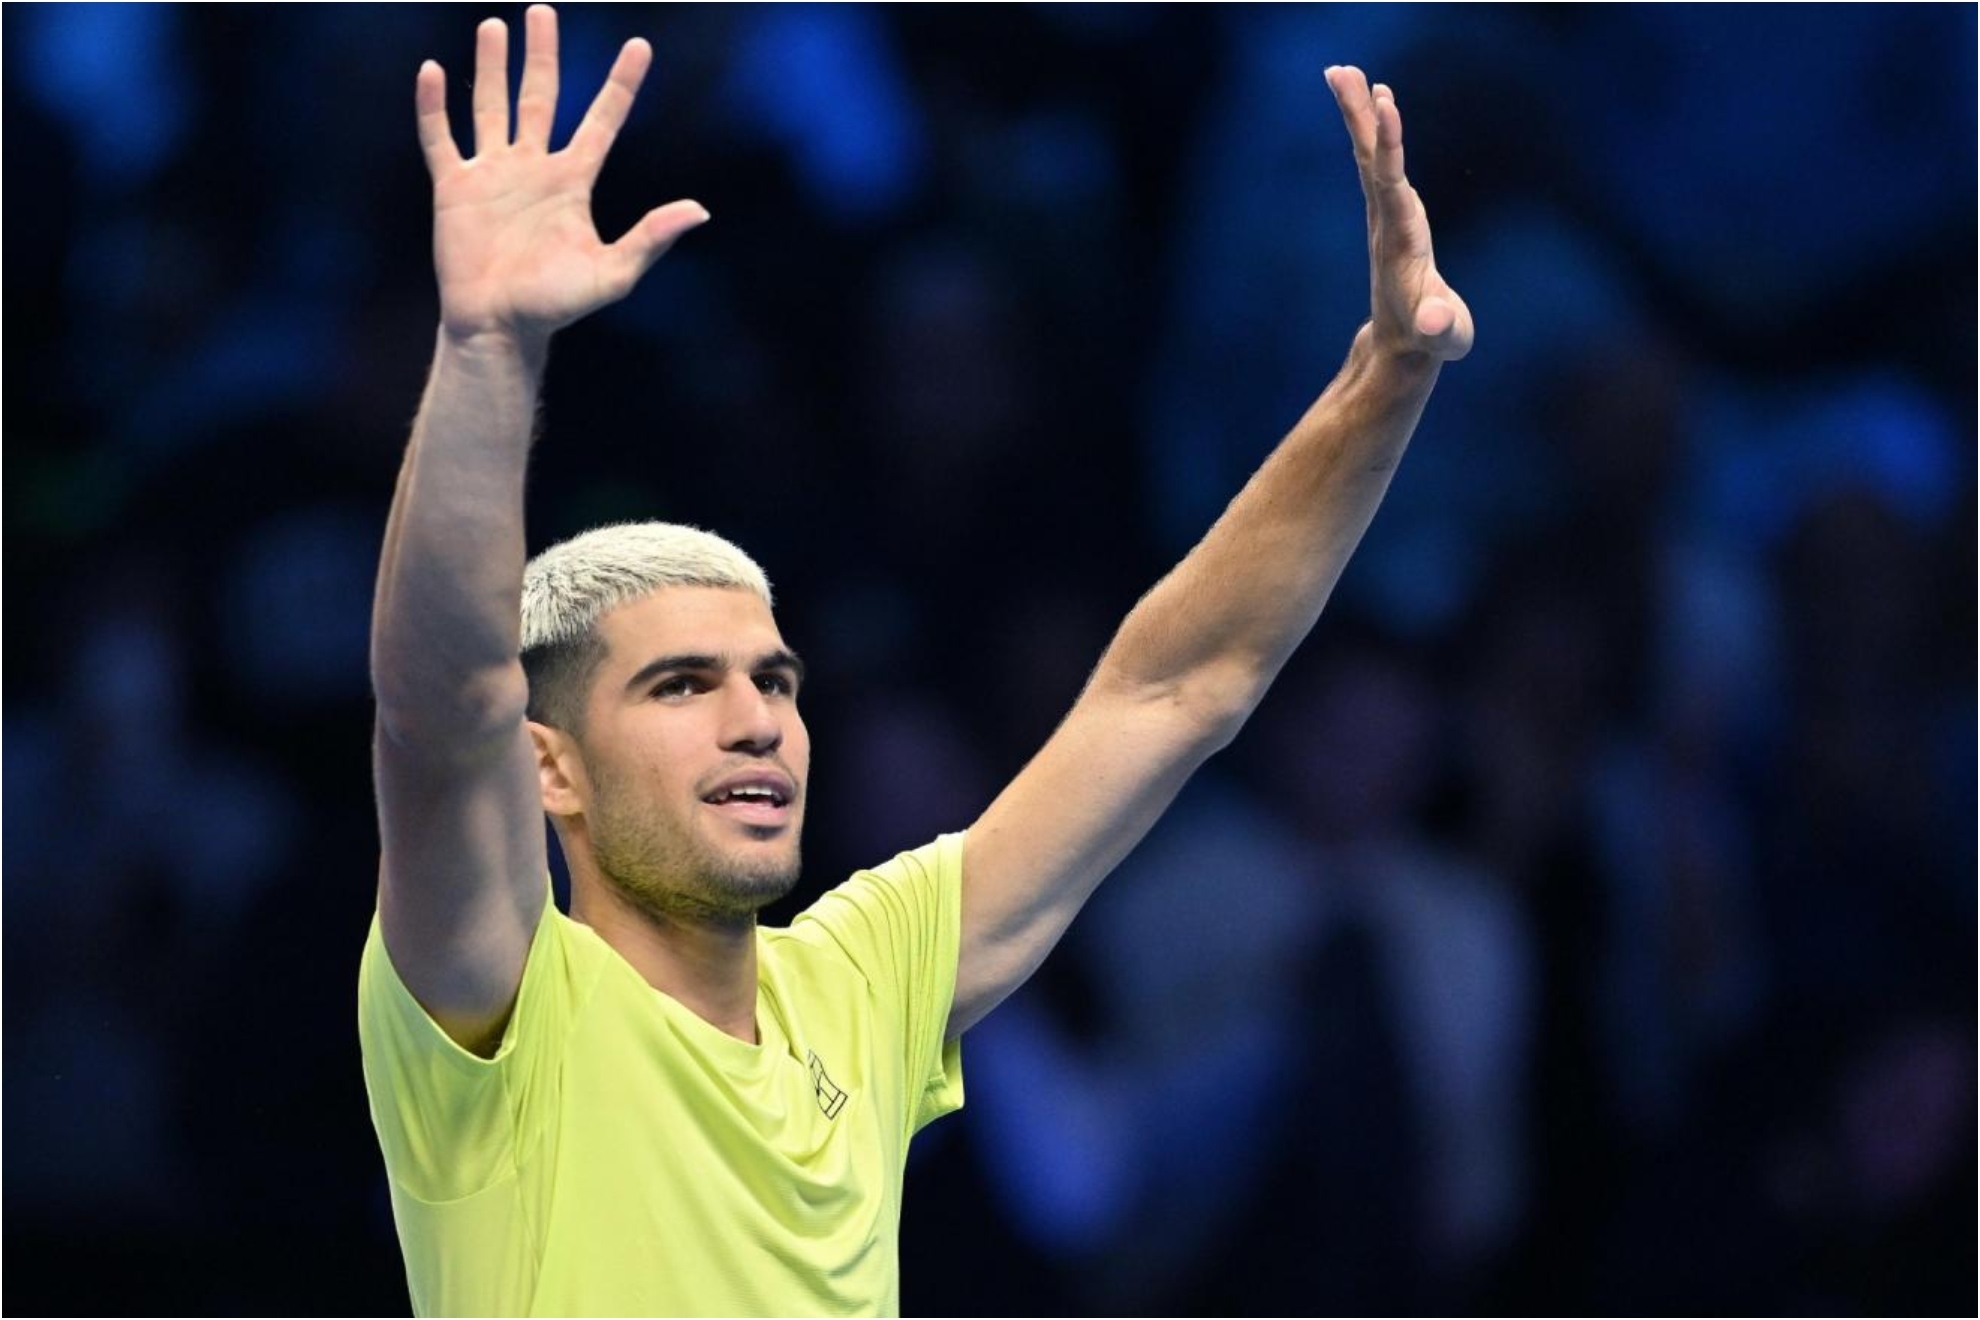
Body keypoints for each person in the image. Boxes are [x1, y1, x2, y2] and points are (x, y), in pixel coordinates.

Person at [358, 6, 1473, 1315]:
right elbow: (442, 717)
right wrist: (487, 356)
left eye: (773, 680)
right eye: (682, 684)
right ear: (554, 766)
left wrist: (1384, 382)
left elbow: (1175, 688)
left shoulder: (861, 985)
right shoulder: (495, 1008)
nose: (758, 719)